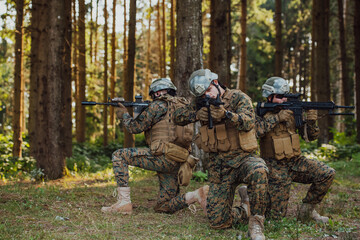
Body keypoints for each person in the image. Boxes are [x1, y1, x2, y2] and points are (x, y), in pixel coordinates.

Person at [173, 69, 268, 240]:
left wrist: (227, 115)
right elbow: (177, 117)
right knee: (218, 222)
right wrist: (195, 114)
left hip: (244, 160)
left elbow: (249, 122)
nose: (207, 97)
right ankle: (246, 208)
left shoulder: (238, 97)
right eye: (202, 95)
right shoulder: (200, 101)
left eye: (209, 91)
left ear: (216, 83)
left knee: (259, 170)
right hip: (220, 168)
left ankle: (256, 224)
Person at [101, 78, 209, 215]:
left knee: (119, 155)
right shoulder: (183, 105)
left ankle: (123, 202)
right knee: (163, 206)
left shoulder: (158, 106)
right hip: (178, 159)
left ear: (155, 93)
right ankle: (195, 195)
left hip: (163, 157)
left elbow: (135, 127)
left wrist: (124, 115)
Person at [248, 76, 336, 223]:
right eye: (280, 97)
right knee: (276, 219)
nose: (284, 100)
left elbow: (310, 136)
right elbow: (255, 132)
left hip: (296, 162)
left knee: (327, 173)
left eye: (286, 97)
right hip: (274, 167)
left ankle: (307, 212)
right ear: (269, 97)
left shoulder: (293, 113)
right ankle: (247, 197)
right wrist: (277, 118)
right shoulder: (260, 113)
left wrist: (312, 122)